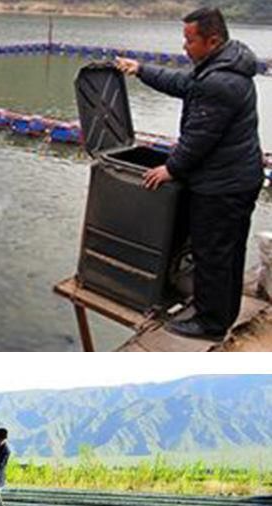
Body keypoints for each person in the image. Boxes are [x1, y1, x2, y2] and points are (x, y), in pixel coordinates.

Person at [115, 7, 264, 341]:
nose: (185, 46)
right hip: (239, 177)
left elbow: (199, 139)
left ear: (212, 40)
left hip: (224, 185)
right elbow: (181, 83)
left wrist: (170, 168)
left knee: (212, 253)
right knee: (228, 250)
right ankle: (223, 310)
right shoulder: (221, 65)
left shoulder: (220, 83)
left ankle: (210, 324)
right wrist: (140, 70)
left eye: (189, 40)